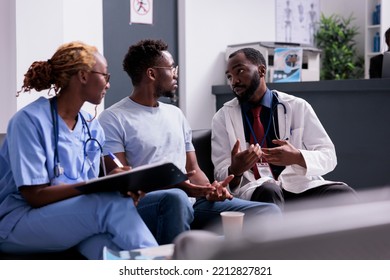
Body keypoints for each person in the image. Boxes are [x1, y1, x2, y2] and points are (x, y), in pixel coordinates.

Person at [98, 39, 281, 233]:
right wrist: (184, 189)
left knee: (268, 211)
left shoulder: (175, 114)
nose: (176, 74)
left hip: (190, 202)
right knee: (175, 198)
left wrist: (211, 189)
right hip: (147, 204)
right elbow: (123, 184)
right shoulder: (113, 118)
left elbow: (193, 169)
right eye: (171, 68)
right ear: (151, 74)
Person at [0, 41, 158, 260]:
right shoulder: (28, 121)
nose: (108, 84)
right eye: (105, 76)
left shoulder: (92, 128)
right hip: (17, 222)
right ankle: (164, 265)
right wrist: (97, 188)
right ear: (83, 76)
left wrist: (117, 186)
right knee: (109, 203)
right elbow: (35, 196)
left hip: (66, 217)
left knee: (113, 254)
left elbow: (85, 192)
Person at [212, 47, 357, 209]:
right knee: (269, 190)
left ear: (261, 71)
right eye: (230, 77)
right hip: (258, 188)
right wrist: (235, 170)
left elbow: (329, 156)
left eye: (240, 71)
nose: (234, 81)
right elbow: (219, 173)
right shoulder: (222, 117)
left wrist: (297, 157)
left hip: (297, 185)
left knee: (343, 193)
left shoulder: (297, 106)